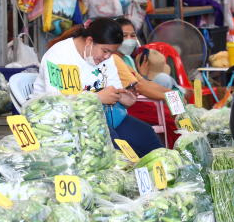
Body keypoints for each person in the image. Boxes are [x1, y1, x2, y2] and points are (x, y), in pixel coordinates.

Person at [31, 17, 163, 157]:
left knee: (146, 134)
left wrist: (122, 97)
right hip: (59, 122)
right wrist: (98, 97)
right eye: (105, 51)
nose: (107, 57)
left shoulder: (107, 58)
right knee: (109, 141)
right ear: (89, 41)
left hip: (97, 118)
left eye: (111, 53)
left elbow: (113, 88)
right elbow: (58, 103)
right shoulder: (60, 55)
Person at [112, 17, 180, 147]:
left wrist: (171, 93)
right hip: (131, 105)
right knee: (170, 120)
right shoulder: (114, 59)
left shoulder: (126, 59)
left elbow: (144, 82)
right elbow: (139, 87)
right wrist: (167, 96)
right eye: (124, 36)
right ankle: (175, 152)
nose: (129, 40)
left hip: (140, 101)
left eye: (132, 36)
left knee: (176, 114)